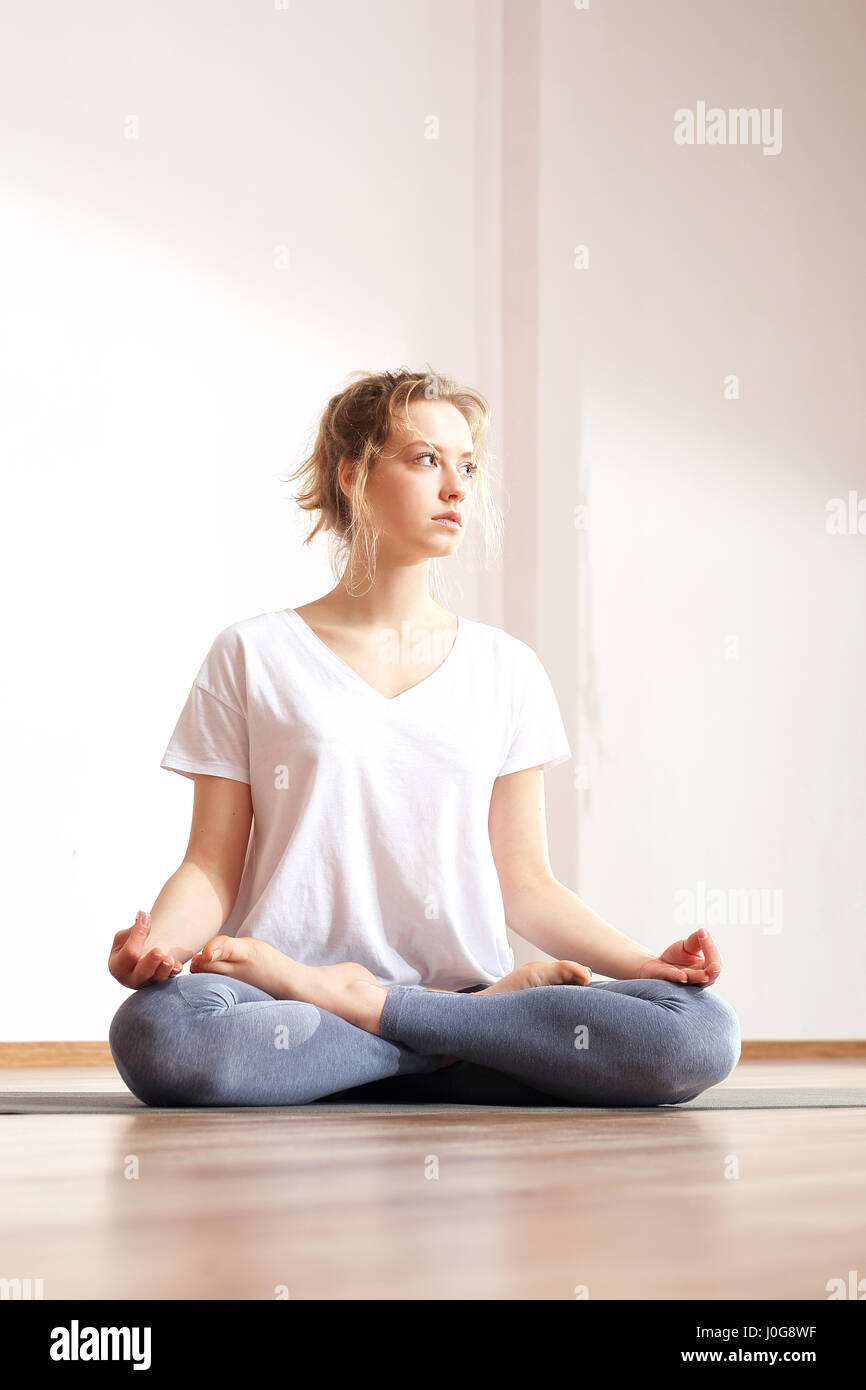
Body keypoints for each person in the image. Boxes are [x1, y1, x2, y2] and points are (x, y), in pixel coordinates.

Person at [108, 367, 740, 1108]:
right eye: (425, 459)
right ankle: (448, 1041)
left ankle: (383, 1017)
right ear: (352, 475)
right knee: (162, 1034)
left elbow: (526, 883)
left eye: (467, 465)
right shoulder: (253, 655)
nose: (457, 487)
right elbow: (210, 867)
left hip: (461, 991)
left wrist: (642, 964)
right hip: (285, 1001)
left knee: (698, 1031)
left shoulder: (507, 668)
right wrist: (163, 947)